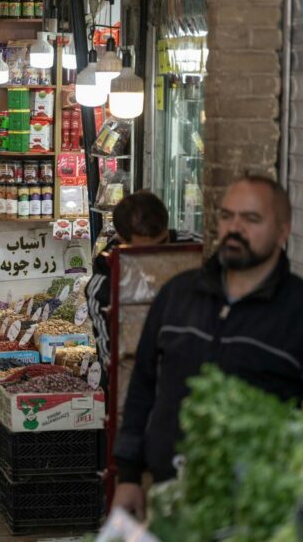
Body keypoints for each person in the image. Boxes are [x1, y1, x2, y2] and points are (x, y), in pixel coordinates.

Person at [113, 176, 303, 521]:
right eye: (227, 216)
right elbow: (142, 387)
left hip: (259, 512)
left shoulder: (296, 312)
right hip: (169, 498)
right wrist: (128, 476)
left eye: (251, 219)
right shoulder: (177, 296)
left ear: (282, 231)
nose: (235, 228)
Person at [85, 191, 182, 370]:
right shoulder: (105, 282)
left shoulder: (194, 248)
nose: (156, 256)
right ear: (122, 241)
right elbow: (113, 358)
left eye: (162, 244)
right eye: (145, 252)